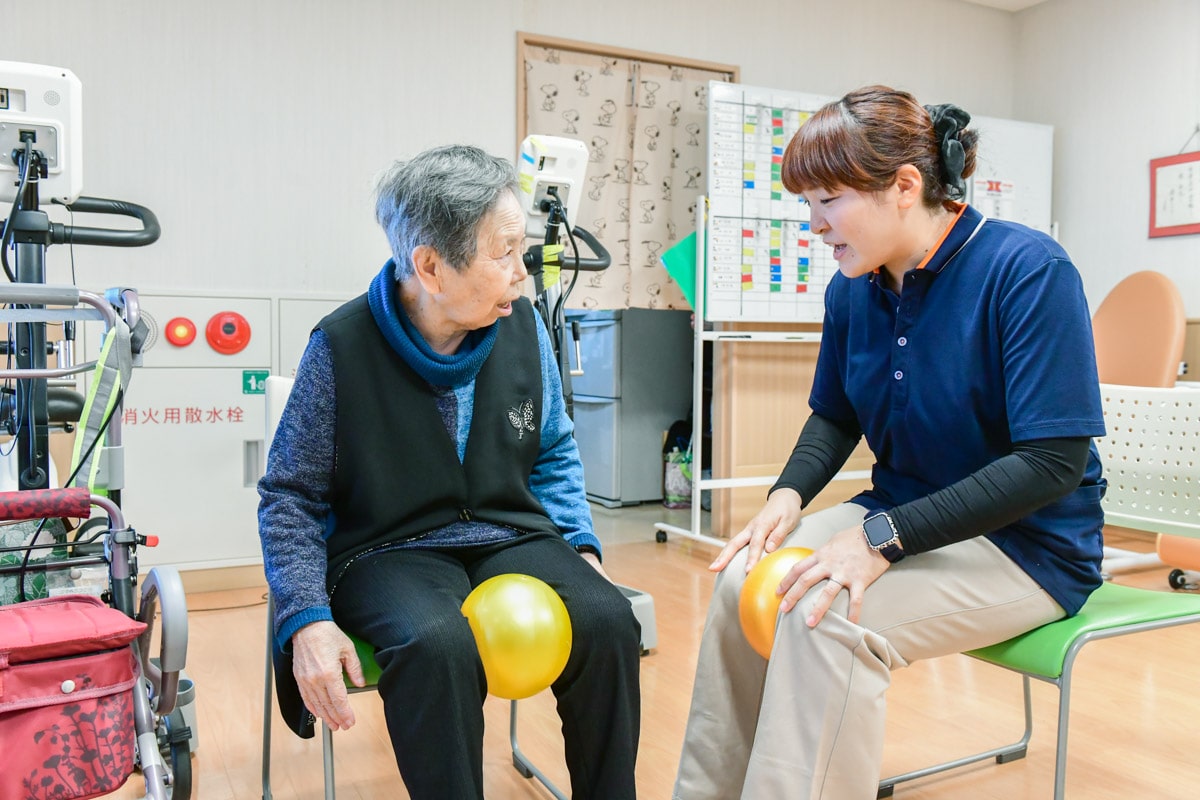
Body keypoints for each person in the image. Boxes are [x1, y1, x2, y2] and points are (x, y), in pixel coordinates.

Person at [673, 85, 1106, 799]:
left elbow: (1051, 463)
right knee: (739, 583)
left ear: (906, 186)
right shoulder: (853, 289)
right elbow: (836, 415)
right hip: (902, 511)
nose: (813, 225)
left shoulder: (1028, 272)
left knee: (822, 615)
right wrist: (787, 497)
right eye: (806, 204)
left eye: (829, 200)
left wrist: (878, 541)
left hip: (1026, 548)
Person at [258, 144, 641, 800]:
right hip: (387, 549)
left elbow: (552, 450)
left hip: (509, 533)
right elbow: (290, 493)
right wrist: (305, 615)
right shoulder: (341, 346)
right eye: (504, 253)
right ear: (431, 267)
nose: (521, 275)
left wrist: (581, 546)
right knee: (437, 645)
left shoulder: (520, 328)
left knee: (608, 618)